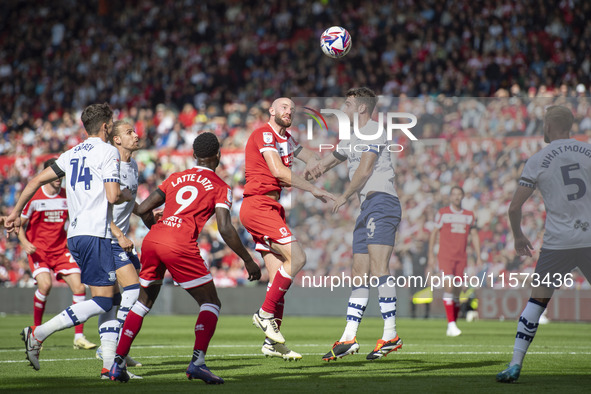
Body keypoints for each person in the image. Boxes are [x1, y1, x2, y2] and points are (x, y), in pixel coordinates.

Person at [109, 132, 261, 384]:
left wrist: (155, 228)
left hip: (153, 240)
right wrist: (247, 259)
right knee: (211, 302)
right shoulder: (221, 187)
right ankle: (197, 363)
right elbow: (224, 228)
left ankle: (117, 364)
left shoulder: (176, 177)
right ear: (218, 156)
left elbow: (144, 209)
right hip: (179, 243)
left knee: (142, 302)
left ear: (193, 155)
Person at [3, 102, 132, 371]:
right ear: (106, 126)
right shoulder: (108, 152)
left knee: (112, 298)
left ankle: (110, 367)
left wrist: (15, 212)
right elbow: (112, 195)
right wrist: (126, 194)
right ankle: (38, 333)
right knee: (104, 300)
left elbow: (34, 181)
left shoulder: (70, 153)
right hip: (96, 232)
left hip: (75, 235)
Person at [309, 87, 404, 361]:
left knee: (378, 269)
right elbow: (327, 162)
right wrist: (304, 170)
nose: (344, 108)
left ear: (362, 108)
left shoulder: (374, 129)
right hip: (367, 207)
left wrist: (345, 195)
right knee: (359, 273)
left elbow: (364, 169)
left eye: (348, 104)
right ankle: (349, 338)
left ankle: (390, 334)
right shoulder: (351, 137)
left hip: (381, 202)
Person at [497, 105, 591, 383]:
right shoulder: (588, 153)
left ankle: (515, 364)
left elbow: (514, 208)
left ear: (549, 126)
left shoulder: (538, 159)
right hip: (589, 238)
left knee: (537, 302)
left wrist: (518, 236)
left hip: (558, 243)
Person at [239, 97, 334, 361]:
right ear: (271, 111)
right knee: (299, 258)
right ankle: (264, 315)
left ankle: (271, 342)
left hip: (268, 208)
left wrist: (321, 162)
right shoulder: (264, 134)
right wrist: (313, 188)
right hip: (258, 205)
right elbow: (278, 171)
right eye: (283, 107)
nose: (288, 111)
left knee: (278, 278)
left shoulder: (287, 139)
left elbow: (309, 155)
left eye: (291, 109)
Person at [18, 158, 96, 350]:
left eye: (61, 174)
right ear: (47, 175)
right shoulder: (35, 197)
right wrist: (25, 243)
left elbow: (74, 220)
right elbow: (18, 223)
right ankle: (36, 331)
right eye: (56, 174)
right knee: (45, 286)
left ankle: (79, 337)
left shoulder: (66, 196)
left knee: (79, 288)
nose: (59, 178)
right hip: (39, 251)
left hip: (61, 250)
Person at [94, 120, 145, 378]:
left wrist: (146, 213)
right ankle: (113, 352)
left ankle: (109, 353)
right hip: (108, 238)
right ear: (116, 140)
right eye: (129, 132)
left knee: (112, 302)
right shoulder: (110, 165)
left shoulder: (133, 165)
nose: (136, 135)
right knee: (135, 291)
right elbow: (101, 207)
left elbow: (129, 199)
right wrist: (118, 234)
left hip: (120, 240)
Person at [428, 186, 482, 337]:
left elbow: (475, 235)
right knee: (450, 287)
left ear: (463, 196)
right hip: (445, 256)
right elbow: (434, 233)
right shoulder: (443, 213)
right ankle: (451, 324)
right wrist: (431, 255)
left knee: (458, 291)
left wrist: (478, 256)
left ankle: (453, 324)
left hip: (461, 257)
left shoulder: (469, 215)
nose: (457, 197)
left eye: (459, 194)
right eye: (454, 194)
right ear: (450, 197)